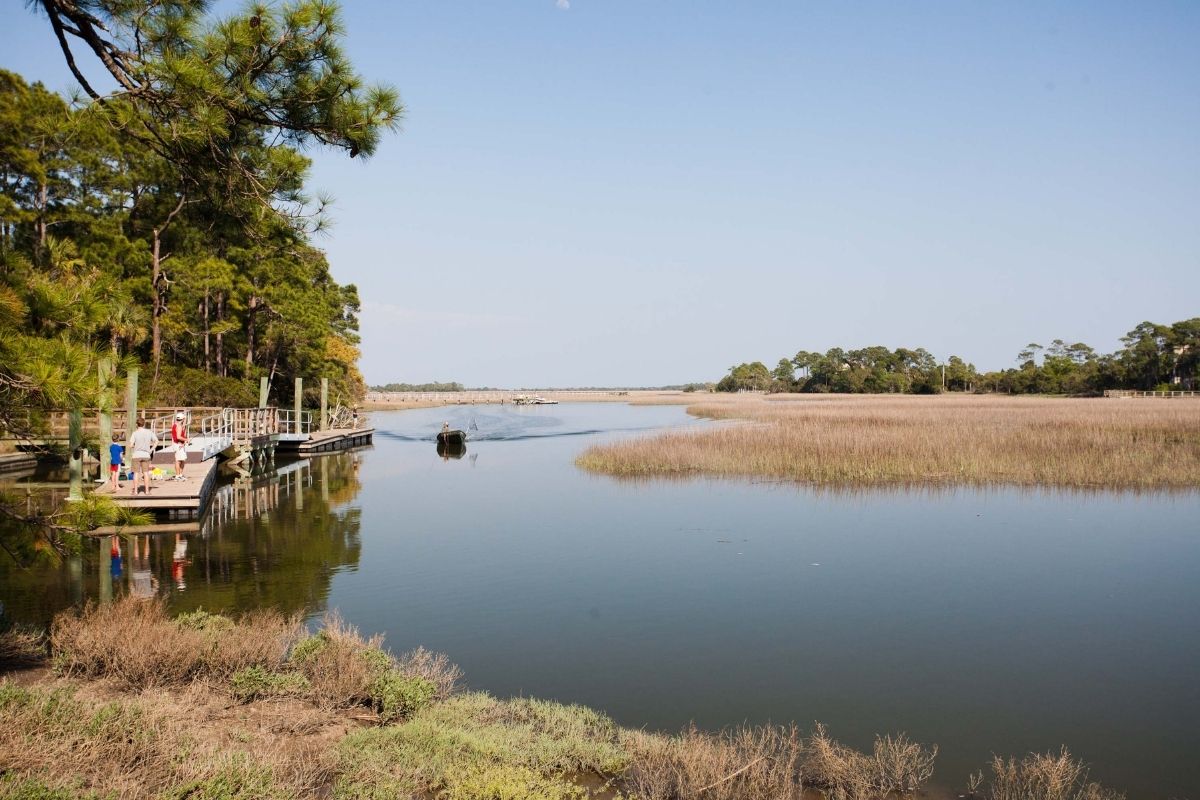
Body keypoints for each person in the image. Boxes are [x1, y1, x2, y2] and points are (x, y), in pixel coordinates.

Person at [129, 417, 158, 496]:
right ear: (144, 424)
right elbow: (156, 441)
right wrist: (151, 449)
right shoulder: (149, 432)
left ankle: (135, 491)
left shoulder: (135, 433)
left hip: (136, 455)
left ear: (136, 424)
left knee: (136, 473)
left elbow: (130, 445)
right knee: (146, 473)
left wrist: (135, 446)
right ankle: (147, 491)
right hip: (146, 455)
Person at [170, 412, 189, 480]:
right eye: (184, 419)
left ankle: (180, 475)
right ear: (183, 419)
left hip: (177, 444)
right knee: (178, 461)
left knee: (182, 460)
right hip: (178, 445)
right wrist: (186, 439)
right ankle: (178, 476)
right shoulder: (179, 426)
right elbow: (178, 437)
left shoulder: (175, 424)